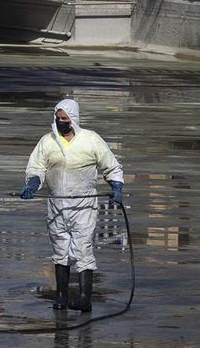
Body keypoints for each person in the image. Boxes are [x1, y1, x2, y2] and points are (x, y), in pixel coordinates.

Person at [19, 98, 124, 313]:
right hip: (57, 205)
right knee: (60, 249)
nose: (60, 123)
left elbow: (111, 166)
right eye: (58, 119)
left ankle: (85, 298)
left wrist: (116, 188)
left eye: (65, 119)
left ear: (74, 119)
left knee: (83, 249)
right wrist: (32, 184)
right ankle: (61, 296)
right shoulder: (47, 142)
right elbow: (36, 167)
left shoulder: (91, 140)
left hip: (83, 205)